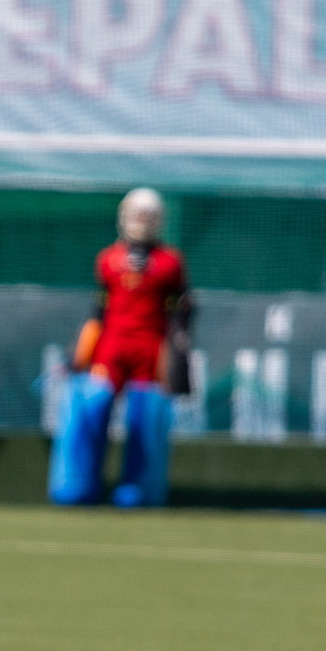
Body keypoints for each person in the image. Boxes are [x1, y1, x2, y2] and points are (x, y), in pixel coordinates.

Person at [50, 187, 192, 508]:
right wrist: (78, 353)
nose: (142, 222)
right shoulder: (108, 259)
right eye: (137, 214)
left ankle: (139, 491)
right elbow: (97, 311)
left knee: (143, 420)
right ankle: (77, 487)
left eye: (148, 216)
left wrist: (180, 357)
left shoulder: (170, 263)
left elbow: (181, 314)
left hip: (149, 350)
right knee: (92, 409)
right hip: (110, 348)